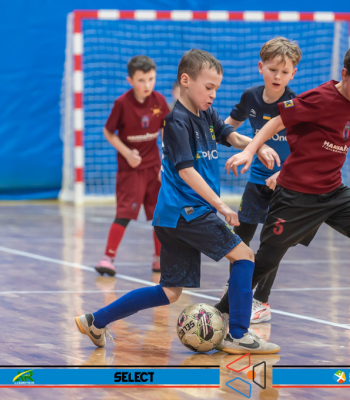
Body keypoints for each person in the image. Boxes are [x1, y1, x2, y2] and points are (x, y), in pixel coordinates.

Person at [76, 49, 282, 354]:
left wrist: (256, 146)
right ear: (186, 80)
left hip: (172, 217)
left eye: (216, 89)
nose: (213, 94)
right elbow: (186, 172)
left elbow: (231, 135)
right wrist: (221, 206)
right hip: (188, 213)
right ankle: (238, 334)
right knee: (244, 256)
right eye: (208, 87)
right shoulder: (176, 121)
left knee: (170, 291)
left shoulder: (207, 114)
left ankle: (96, 320)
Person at [216, 41, 350, 338]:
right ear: (344, 74)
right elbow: (277, 122)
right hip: (296, 195)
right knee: (266, 260)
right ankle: (221, 312)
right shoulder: (321, 98)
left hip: (333, 191)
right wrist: (250, 150)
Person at [223, 37, 300, 324]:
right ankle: (235, 291)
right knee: (239, 237)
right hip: (256, 180)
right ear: (260, 67)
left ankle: (262, 301)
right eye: (272, 69)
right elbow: (227, 128)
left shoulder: (295, 104)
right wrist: (247, 144)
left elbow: (306, 147)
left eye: (284, 71)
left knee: (272, 244)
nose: (277, 76)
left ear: (293, 74)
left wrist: (283, 173)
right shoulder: (250, 97)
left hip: (286, 184)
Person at [95, 55, 169, 275]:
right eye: (141, 80)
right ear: (130, 80)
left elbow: (166, 131)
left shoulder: (159, 101)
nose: (147, 85)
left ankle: (159, 259)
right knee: (125, 212)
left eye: (151, 79)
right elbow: (108, 132)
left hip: (154, 168)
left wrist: (166, 162)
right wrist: (127, 153)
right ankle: (108, 258)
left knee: (160, 213)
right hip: (131, 170)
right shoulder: (122, 104)